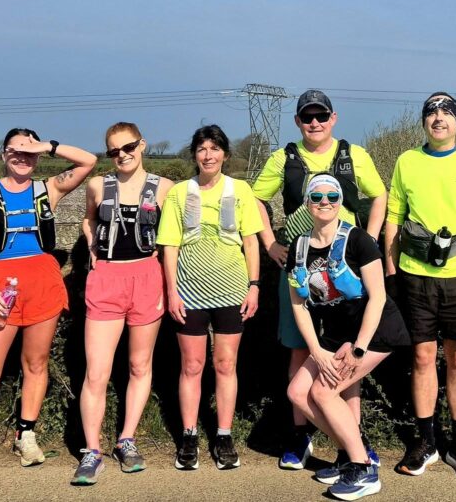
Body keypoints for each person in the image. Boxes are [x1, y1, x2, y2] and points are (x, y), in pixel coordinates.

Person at [0, 129, 96, 489]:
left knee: (36, 364)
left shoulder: (49, 189)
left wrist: (46, 146)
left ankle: (25, 434)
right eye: (15, 150)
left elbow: (88, 161)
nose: (22, 157)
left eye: (29, 151)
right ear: (3, 154)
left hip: (43, 281)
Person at [252, 89, 388, 470]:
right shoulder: (284, 157)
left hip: (346, 270)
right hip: (301, 265)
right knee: (300, 348)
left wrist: (371, 242)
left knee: (347, 354)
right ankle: (301, 438)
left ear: (333, 118)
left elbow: (379, 196)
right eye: (307, 117)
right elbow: (253, 199)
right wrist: (270, 244)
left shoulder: (354, 155)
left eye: (321, 116)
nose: (315, 123)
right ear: (297, 121)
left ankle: (351, 444)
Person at [383, 92, 456, 481]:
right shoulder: (406, 162)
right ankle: (426, 441)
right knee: (421, 359)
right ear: (423, 122)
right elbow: (393, 220)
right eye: (431, 112)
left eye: (447, 112)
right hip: (415, 275)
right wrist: (391, 271)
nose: (438, 117)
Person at [285, 174, 410, 500]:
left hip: (375, 331)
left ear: (340, 201)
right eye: (317, 196)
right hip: (334, 335)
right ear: (308, 203)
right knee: (298, 392)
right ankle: (352, 448)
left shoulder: (358, 240)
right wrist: (317, 349)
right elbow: (299, 306)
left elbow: (378, 298)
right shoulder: (298, 248)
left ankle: (362, 468)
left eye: (332, 196)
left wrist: (357, 350)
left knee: (324, 392)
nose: (324, 202)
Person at [72, 122, 174, 485]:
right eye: (114, 151)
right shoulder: (98, 185)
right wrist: (94, 249)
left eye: (128, 147)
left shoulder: (164, 188)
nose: (122, 155)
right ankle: (91, 450)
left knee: (138, 364)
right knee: (96, 371)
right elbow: (87, 219)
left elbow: (175, 237)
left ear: (142, 145)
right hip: (107, 279)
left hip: (148, 277)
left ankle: (126, 439)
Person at [156, 124, 262, 470]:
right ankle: (188, 435)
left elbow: (251, 241)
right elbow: (169, 245)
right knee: (192, 365)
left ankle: (224, 434)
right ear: (194, 155)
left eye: (215, 149)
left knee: (225, 364)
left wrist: (254, 285)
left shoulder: (240, 190)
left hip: (233, 288)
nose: (208, 155)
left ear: (225, 155)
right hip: (190, 291)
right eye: (202, 149)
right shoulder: (179, 193)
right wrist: (171, 291)